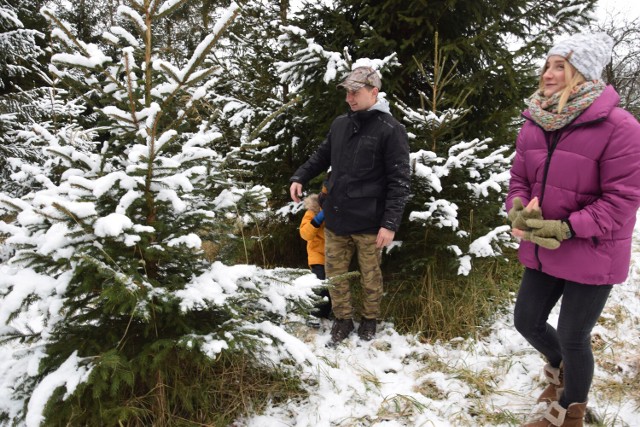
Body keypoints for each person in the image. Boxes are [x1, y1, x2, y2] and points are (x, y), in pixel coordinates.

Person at [506, 32, 640, 427]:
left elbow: (622, 200)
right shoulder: (535, 121)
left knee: (573, 335)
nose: (548, 74)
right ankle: (563, 371)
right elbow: (519, 178)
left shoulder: (620, 126)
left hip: (593, 248)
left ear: (583, 72)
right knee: (526, 320)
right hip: (544, 244)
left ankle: (570, 412)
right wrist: (519, 209)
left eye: (560, 66)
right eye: (548, 65)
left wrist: (566, 227)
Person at [289, 66, 410, 347]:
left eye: (355, 92)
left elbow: (400, 181)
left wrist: (390, 224)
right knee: (335, 275)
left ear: (374, 92)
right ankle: (342, 319)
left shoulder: (391, 130)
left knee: (370, 276)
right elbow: (322, 155)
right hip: (336, 217)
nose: (349, 98)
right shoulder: (340, 125)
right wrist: (300, 176)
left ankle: (369, 320)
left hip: (370, 222)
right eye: (347, 92)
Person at [299, 179, 332, 324]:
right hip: (317, 256)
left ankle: (327, 314)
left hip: (335, 255)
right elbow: (305, 234)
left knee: (333, 288)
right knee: (320, 286)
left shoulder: (340, 209)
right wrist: (318, 219)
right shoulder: (312, 211)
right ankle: (315, 315)